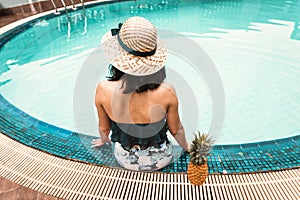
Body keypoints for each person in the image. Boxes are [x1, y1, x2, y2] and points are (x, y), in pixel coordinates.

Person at [92, 16, 188, 171]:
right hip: (161, 159)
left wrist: (103, 141)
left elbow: (104, 128)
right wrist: (187, 147)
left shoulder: (103, 89)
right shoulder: (167, 91)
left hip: (125, 160)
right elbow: (177, 130)